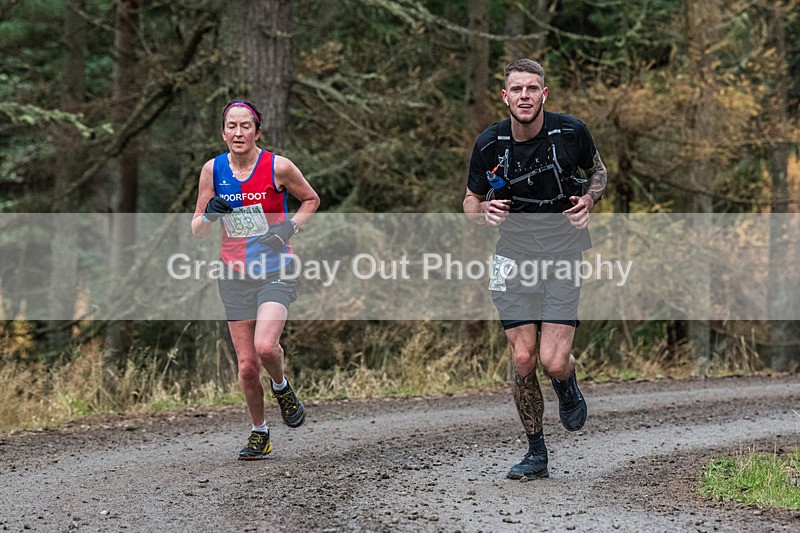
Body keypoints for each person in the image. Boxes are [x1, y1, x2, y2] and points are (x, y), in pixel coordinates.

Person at [463, 59, 607, 480]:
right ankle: (535, 452)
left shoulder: (570, 132)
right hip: (513, 256)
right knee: (523, 356)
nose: (524, 96)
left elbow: (598, 171)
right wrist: (483, 209)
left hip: (563, 254)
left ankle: (566, 383)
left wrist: (590, 200)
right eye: (516, 89)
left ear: (544, 94)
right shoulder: (489, 143)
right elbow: (469, 201)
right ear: (504, 96)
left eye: (532, 88)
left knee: (553, 360)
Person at [192, 99, 320, 460]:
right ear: (223, 132)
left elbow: (311, 199)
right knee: (247, 366)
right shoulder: (212, 170)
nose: (238, 132)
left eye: (245, 125)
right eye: (231, 126)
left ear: (257, 131)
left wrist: (288, 227)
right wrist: (210, 216)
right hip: (234, 275)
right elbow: (197, 230)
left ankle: (281, 386)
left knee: (266, 347)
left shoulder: (278, 166)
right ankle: (259, 433)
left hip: (276, 269)